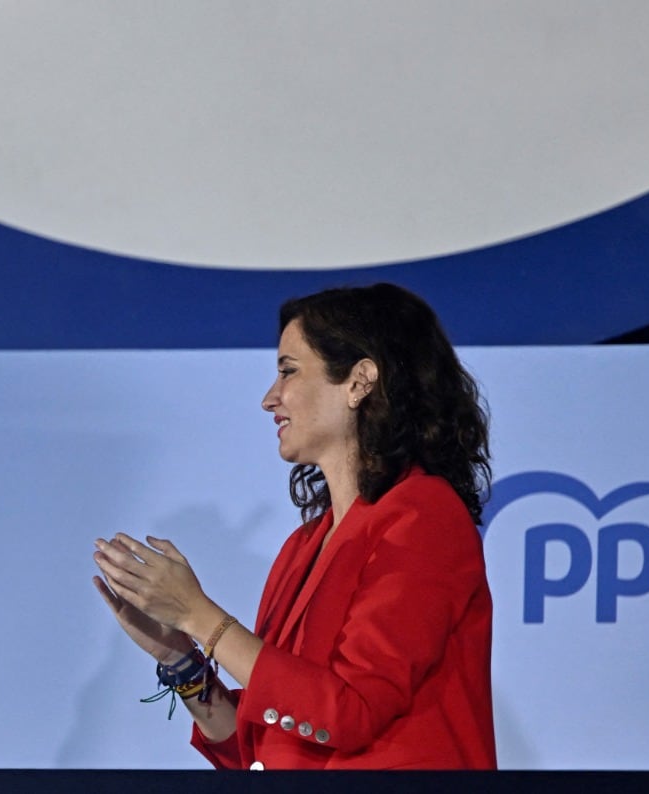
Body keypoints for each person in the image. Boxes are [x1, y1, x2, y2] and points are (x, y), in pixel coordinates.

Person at [92, 282, 496, 770]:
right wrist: (180, 657)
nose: (270, 398)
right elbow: (259, 752)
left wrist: (199, 614)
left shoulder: (424, 515)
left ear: (359, 381)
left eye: (288, 371)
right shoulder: (303, 545)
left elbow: (350, 711)